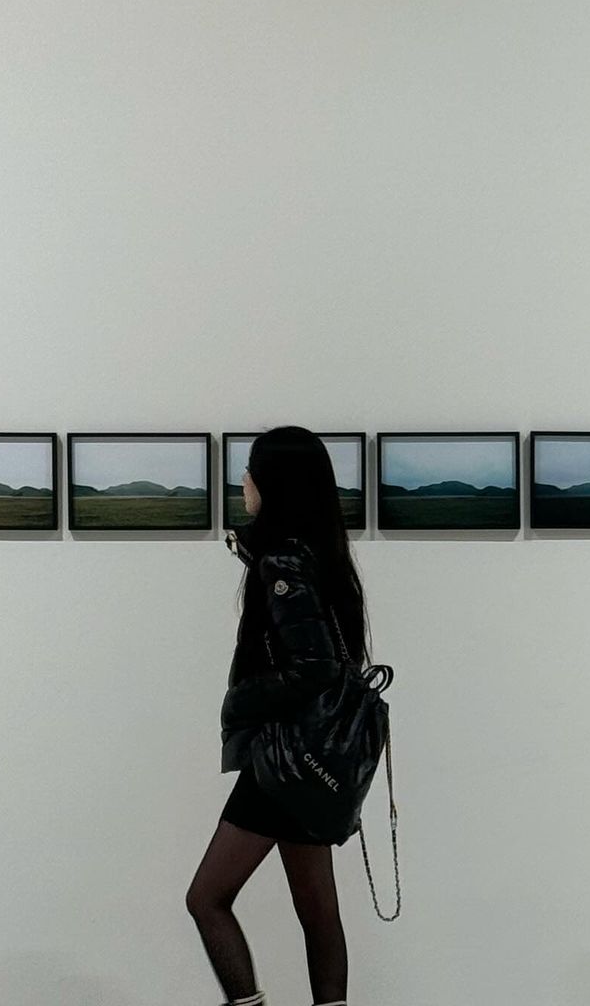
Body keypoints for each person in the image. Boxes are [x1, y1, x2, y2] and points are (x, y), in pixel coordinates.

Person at [186, 426, 374, 1006]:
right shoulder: (322, 552)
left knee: (206, 898)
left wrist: (241, 700)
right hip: (313, 761)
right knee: (317, 911)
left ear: (274, 481)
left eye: (251, 469)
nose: (243, 480)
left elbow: (313, 667)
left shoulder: (283, 559)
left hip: (283, 761)